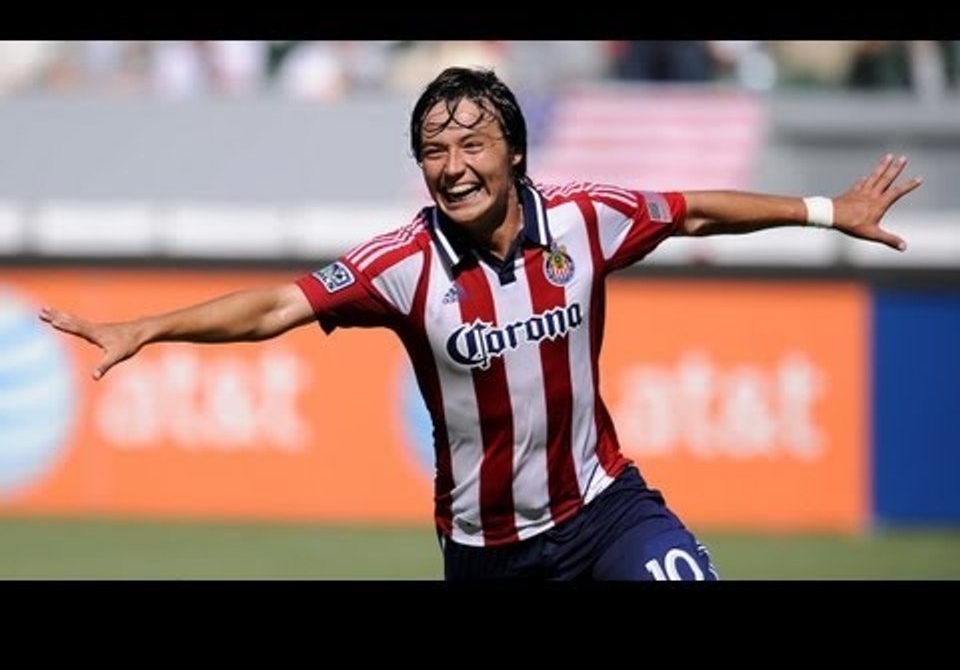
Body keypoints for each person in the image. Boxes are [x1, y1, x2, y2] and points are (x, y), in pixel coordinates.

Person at [39, 66, 922, 580]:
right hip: (488, 553)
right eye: (433, 150)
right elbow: (277, 305)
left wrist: (821, 208)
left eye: (471, 145)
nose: (451, 167)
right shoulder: (402, 265)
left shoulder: (585, 217)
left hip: (607, 512)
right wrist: (145, 328)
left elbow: (694, 212)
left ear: (514, 151)